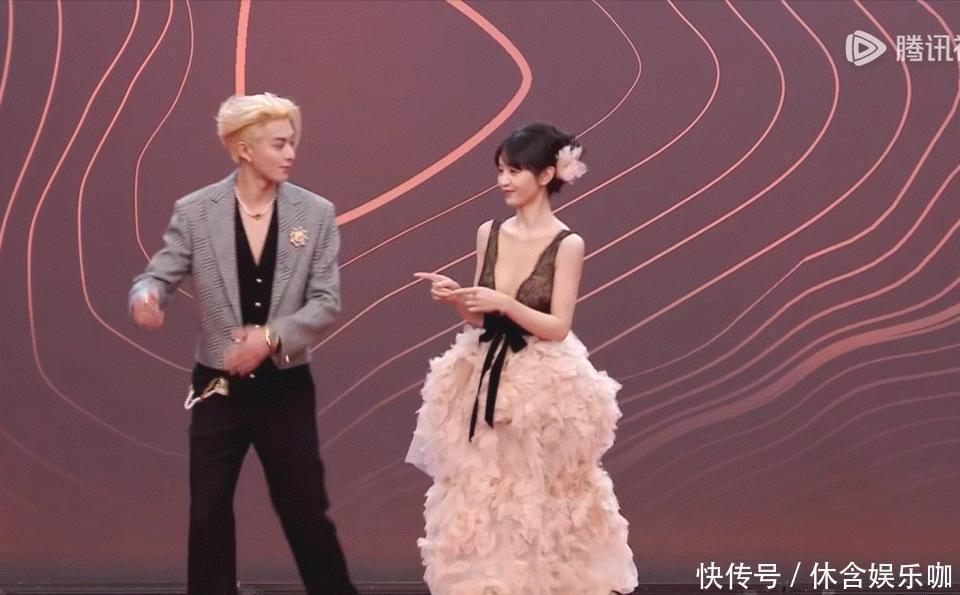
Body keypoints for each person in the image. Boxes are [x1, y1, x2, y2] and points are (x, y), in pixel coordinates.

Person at [129, 92, 357, 595]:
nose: (290, 153)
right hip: (218, 386)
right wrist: (146, 296)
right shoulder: (196, 211)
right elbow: (157, 275)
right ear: (244, 149)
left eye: (292, 142)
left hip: (285, 387)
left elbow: (326, 302)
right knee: (208, 510)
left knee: (304, 508)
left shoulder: (315, 213)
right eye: (278, 144)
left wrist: (270, 337)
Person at [408, 122, 638, 594]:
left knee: (540, 494)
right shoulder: (489, 232)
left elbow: (557, 325)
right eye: (500, 171)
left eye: (514, 171)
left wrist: (506, 303)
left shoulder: (567, 243)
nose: (504, 181)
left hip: (542, 383)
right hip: (482, 371)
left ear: (547, 174)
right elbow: (479, 316)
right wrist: (457, 298)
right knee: (483, 490)